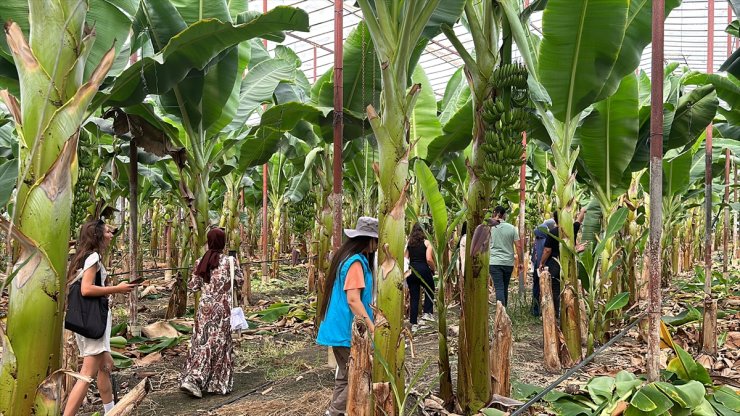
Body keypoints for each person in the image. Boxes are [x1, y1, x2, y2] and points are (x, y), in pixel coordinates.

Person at [64, 220, 136, 416]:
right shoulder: (93, 257)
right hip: (94, 322)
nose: (111, 234)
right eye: (107, 231)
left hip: (86, 322)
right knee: (86, 374)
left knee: (105, 366)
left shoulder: (81, 257)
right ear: (97, 235)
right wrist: (117, 289)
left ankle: (110, 411)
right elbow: (87, 289)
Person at [316, 216, 378, 416]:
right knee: (357, 375)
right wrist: (371, 326)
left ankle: (334, 412)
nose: (377, 245)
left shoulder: (347, 258)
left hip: (338, 328)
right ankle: (334, 413)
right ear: (369, 240)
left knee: (345, 374)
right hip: (345, 330)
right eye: (376, 240)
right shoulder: (355, 263)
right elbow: (353, 299)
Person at [181, 227, 244, 398]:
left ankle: (195, 377)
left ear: (209, 242)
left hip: (204, 309)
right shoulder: (229, 262)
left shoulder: (200, 262)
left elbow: (193, 286)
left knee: (202, 343)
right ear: (223, 243)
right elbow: (240, 282)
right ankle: (206, 381)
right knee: (219, 344)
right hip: (223, 311)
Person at [538, 207, 586, 316]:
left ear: (555, 220)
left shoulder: (553, 232)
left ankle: (555, 313)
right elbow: (579, 221)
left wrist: (542, 263)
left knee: (555, 289)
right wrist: (582, 211)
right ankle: (570, 312)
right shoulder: (571, 229)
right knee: (570, 287)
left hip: (555, 263)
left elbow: (547, 250)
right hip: (569, 264)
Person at [489, 206, 523, 306]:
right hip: (508, 263)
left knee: (499, 287)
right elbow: (518, 246)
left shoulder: (490, 227)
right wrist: (521, 262)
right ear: (504, 215)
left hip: (494, 262)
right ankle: (504, 312)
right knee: (504, 287)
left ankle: (501, 312)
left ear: (494, 214)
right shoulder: (512, 228)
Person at [405, 223, 436, 331]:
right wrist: (434, 268)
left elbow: (406, 258)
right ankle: (427, 313)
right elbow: (428, 259)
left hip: (411, 271)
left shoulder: (409, 243)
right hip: (423, 269)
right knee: (430, 288)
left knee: (414, 297)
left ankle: (413, 323)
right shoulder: (427, 243)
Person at [531, 218, 556, 316]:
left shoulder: (537, 240)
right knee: (547, 289)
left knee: (536, 288)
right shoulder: (547, 240)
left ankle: (535, 310)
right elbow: (547, 252)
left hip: (537, 268)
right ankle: (547, 311)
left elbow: (534, 256)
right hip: (545, 268)